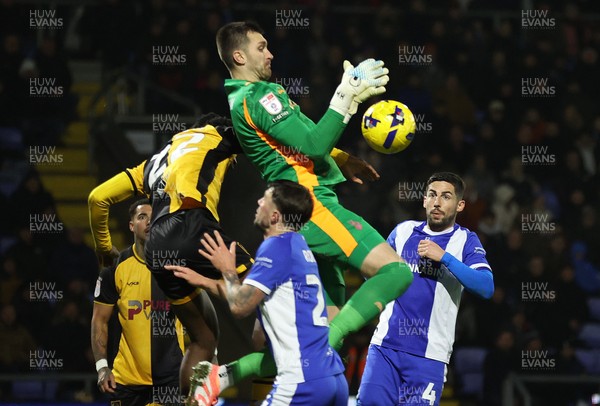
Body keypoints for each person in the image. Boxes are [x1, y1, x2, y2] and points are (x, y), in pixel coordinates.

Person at [190, 21, 413, 402]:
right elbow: (311, 145)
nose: (270, 53)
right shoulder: (258, 97)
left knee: (322, 352)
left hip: (303, 211)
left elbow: (305, 139)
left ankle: (224, 375)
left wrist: (343, 158)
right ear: (239, 56)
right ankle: (330, 337)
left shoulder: (248, 99)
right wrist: (346, 96)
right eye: (262, 47)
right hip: (313, 207)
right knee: (396, 272)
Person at [88, 114, 253, 392]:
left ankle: (195, 398)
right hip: (195, 225)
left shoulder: (153, 162)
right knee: (266, 289)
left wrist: (104, 250)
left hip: (159, 246)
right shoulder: (219, 137)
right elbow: (276, 135)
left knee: (203, 338)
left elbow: (97, 198)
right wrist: (335, 157)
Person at [167, 181, 348, 406]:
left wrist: (227, 270)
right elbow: (247, 296)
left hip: (301, 380)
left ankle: (217, 379)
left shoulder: (276, 247)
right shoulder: (297, 246)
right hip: (333, 378)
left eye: (264, 199)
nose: (258, 202)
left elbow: (239, 307)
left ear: (274, 216)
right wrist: (203, 281)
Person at [357, 172, 495, 406]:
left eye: (446, 196)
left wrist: (445, 258)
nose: (437, 202)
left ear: (460, 205)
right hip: (385, 348)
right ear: (424, 200)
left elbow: (486, 287)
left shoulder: (465, 241)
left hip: (429, 357)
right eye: (432, 195)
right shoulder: (403, 231)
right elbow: (372, 271)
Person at [91, 199, 184, 405]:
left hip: (170, 379)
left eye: (154, 218)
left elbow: (200, 316)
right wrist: (102, 367)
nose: (149, 222)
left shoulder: (178, 267)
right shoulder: (115, 268)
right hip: (126, 382)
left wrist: (210, 357)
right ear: (132, 226)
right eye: (142, 217)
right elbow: (99, 320)